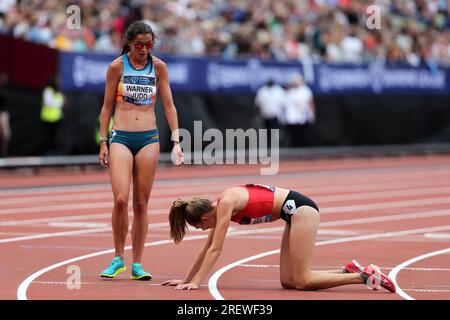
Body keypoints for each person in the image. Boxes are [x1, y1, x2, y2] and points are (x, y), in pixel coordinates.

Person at [162, 184, 396, 292]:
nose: (205, 231)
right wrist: (185, 279)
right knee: (288, 282)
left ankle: (365, 276)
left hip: (301, 209)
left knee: (303, 281)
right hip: (290, 214)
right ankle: (347, 270)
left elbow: (216, 249)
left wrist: (197, 282)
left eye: (202, 228)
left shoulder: (226, 202)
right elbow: (207, 248)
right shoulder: (222, 207)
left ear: (204, 219)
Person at [98, 20, 184, 280]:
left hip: (149, 137)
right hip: (121, 137)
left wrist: (177, 140)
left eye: (149, 45)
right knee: (121, 199)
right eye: (139, 45)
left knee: (142, 204)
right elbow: (106, 108)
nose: (144, 49)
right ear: (128, 43)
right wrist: (103, 140)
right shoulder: (116, 67)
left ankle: (137, 263)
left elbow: (169, 106)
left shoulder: (159, 67)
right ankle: (117, 258)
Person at [285, 73, 315, 147]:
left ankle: (303, 148)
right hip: (292, 115)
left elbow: (310, 102)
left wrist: (312, 113)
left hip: (303, 114)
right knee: (293, 133)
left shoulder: (305, 90)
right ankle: (295, 148)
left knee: (303, 133)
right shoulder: (290, 91)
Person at [40, 76, 66, 155]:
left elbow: (63, 102)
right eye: (57, 82)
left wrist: (61, 102)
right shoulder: (48, 91)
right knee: (48, 137)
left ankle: (56, 153)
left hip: (57, 118)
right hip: (47, 118)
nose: (59, 84)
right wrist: (59, 103)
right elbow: (49, 102)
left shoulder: (59, 92)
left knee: (57, 137)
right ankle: (48, 153)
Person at [0, 72, 10, 157]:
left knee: (6, 135)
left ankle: (4, 154)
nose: (4, 79)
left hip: (3, 114)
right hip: (1, 114)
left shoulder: (6, 89)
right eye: (2, 78)